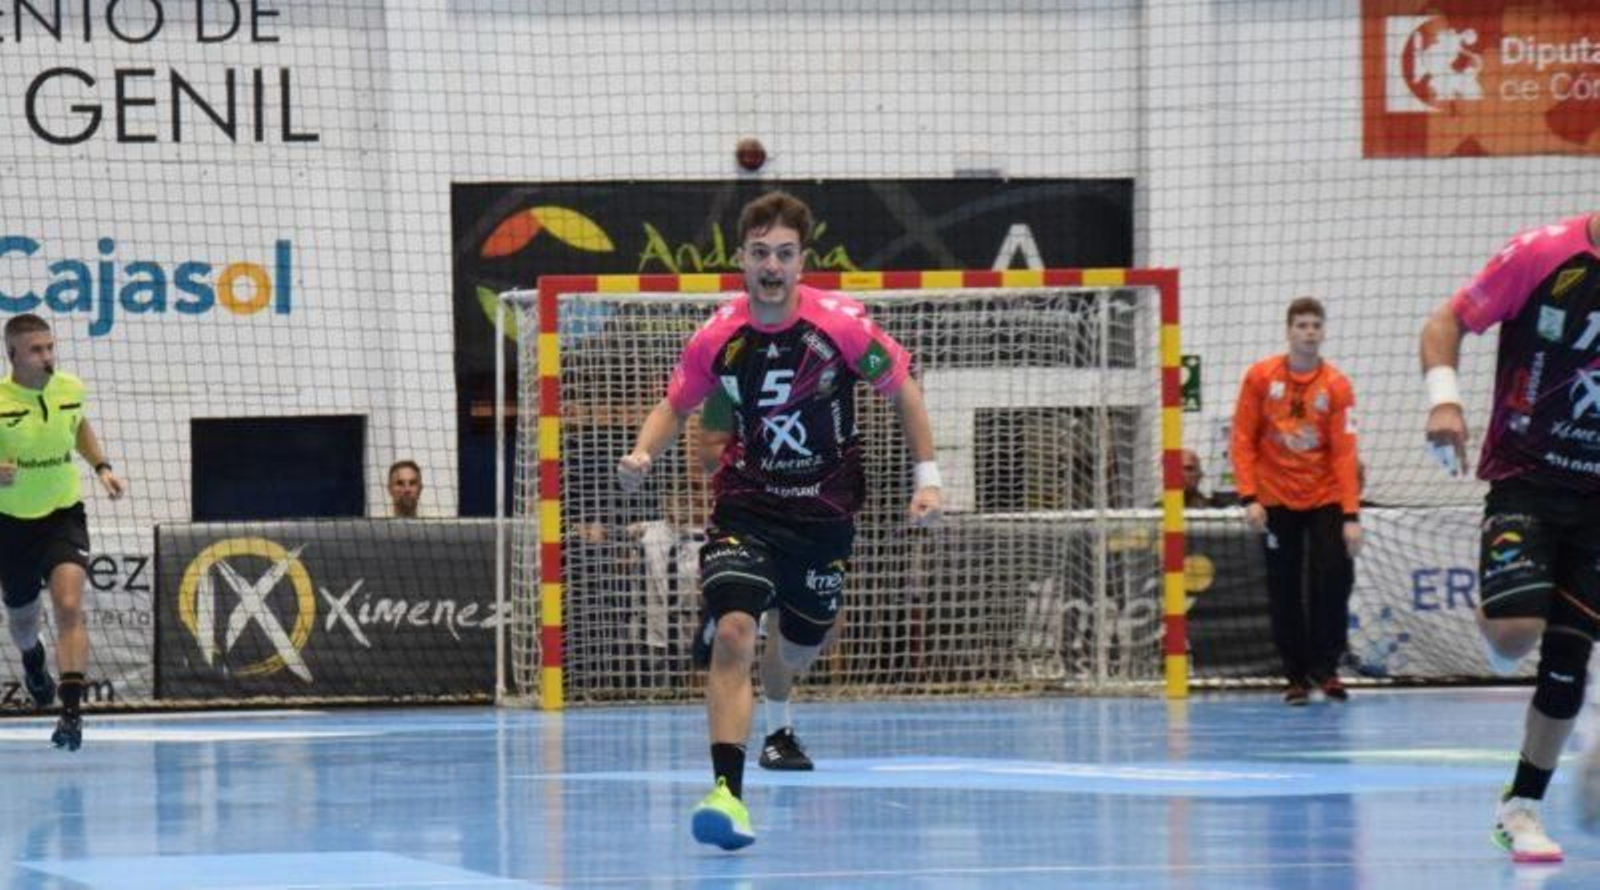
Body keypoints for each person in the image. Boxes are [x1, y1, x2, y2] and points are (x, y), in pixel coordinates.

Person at [617, 190, 942, 850]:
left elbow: (902, 388)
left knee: (797, 647)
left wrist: (928, 478)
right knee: (736, 629)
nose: (771, 265)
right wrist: (643, 452)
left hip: (825, 516)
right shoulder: (718, 337)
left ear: (802, 261)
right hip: (748, 506)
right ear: (742, 258)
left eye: (785, 254)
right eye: (760, 252)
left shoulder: (842, 328)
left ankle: (780, 710)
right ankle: (726, 795)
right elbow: (676, 404)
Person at [1422, 211, 1599, 863]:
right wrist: (1444, 401)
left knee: (1567, 664)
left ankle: (1521, 806)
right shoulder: (1542, 254)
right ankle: (1504, 610)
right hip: (1526, 477)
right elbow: (1445, 323)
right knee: (1514, 634)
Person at [0, 314, 127, 750]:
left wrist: (102, 467)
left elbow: (78, 426)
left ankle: (71, 715)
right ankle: (33, 660)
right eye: (36, 349)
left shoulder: (70, 388)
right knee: (22, 624)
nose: (47, 356)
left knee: (69, 605)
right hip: (11, 524)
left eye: (50, 347)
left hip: (63, 515)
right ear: (13, 354)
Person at [1231, 297, 1362, 707]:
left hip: (1325, 495)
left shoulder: (1337, 385)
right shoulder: (1260, 377)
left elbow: (1345, 453)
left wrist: (1351, 515)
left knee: (1333, 580)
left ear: (1323, 332)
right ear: (1288, 331)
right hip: (1274, 497)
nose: (1309, 332)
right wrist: (1249, 496)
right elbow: (1242, 438)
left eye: (1315, 325)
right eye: (1302, 325)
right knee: (1283, 587)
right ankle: (1295, 676)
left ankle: (1327, 669)